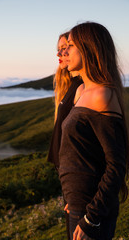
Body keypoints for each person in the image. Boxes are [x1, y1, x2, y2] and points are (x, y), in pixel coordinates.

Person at [59, 21, 129, 240]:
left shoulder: (102, 95)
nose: (64, 51)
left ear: (89, 48)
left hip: (92, 209)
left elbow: (116, 165)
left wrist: (91, 217)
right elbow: (83, 153)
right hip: (78, 202)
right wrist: (72, 197)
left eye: (70, 45)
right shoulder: (81, 91)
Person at [47, 31, 83, 240]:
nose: (61, 53)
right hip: (67, 172)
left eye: (66, 47)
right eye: (59, 49)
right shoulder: (66, 83)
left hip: (76, 177)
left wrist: (75, 192)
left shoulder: (82, 88)